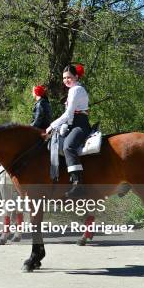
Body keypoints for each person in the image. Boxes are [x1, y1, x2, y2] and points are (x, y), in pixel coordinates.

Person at [45, 64, 89, 198]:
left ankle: (78, 183)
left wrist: (51, 126)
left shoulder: (75, 90)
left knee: (68, 146)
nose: (66, 80)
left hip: (80, 125)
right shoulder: (74, 89)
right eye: (64, 78)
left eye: (69, 77)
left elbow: (69, 114)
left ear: (76, 77)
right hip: (73, 124)